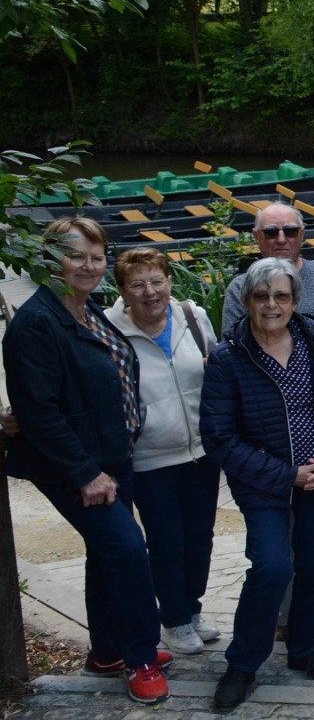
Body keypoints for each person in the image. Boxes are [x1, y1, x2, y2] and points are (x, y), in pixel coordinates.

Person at [2, 218, 170, 705]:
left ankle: (106, 650)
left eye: (96, 257)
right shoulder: (36, 323)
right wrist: (85, 474)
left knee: (105, 556)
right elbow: (38, 412)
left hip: (115, 456)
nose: (89, 266)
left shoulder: (87, 307)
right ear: (52, 259)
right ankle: (139, 657)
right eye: (77, 256)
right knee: (126, 549)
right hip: (77, 468)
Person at [200, 258, 314, 712]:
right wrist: (287, 474)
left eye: (281, 296)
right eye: (261, 296)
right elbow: (219, 436)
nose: (271, 305)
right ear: (247, 302)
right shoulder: (228, 357)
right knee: (272, 568)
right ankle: (243, 663)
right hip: (265, 485)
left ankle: (305, 648)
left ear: (294, 301)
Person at [223, 201, 314, 645]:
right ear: (256, 238)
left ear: (304, 235)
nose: (281, 239)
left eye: (290, 230)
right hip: (269, 435)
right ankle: (286, 615)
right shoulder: (240, 287)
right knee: (279, 534)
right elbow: (237, 354)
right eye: (271, 233)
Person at [107, 248, 222, 657]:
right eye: (137, 284)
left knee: (199, 538)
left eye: (157, 281)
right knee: (166, 539)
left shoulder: (192, 316)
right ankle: (172, 619)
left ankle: (190, 610)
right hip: (150, 455)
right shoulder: (109, 329)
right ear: (122, 291)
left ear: (169, 281)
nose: (150, 292)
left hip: (202, 451)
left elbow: (216, 365)